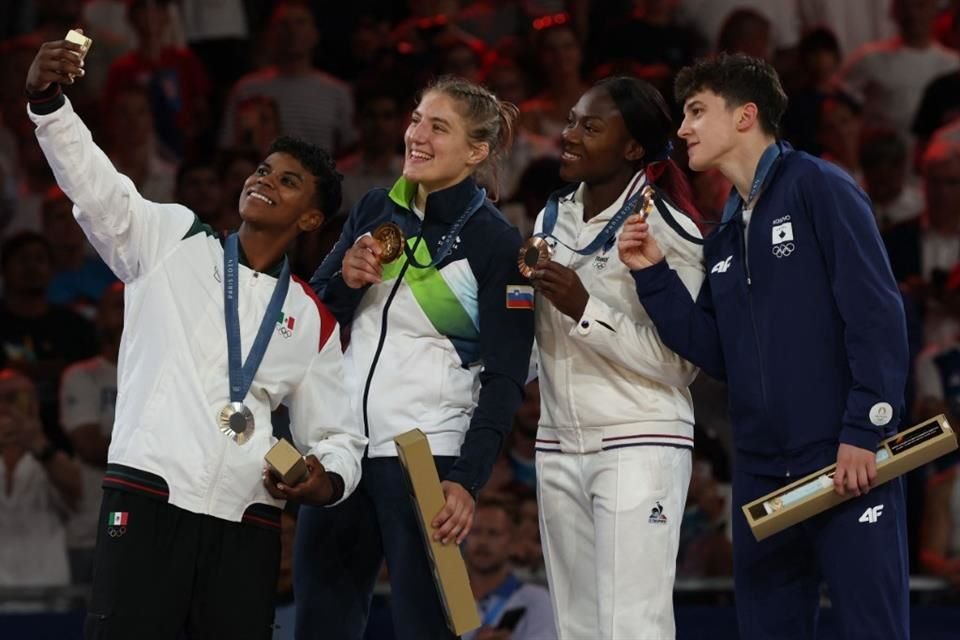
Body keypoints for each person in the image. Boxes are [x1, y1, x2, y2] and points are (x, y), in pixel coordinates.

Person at [25, 36, 365, 639]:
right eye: (263, 170)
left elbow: (338, 432)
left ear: (311, 218)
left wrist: (325, 477)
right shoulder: (174, 239)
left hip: (247, 517)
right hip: (150, 493)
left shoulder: (312, 316)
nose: (265, 182)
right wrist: (50, 106)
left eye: (288, 182)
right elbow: (99, 189)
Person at [619, 52, 911, 639]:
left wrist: (864, 432)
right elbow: (716, 351)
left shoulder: (820, 188)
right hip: (761, 472)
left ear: (746, 115)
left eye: (697, 111)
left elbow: (876, 317)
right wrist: (652, 274)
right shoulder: (724, 228)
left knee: (873, 629)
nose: (682, 129)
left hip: (842, 458)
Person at [294, 75, 535, 640]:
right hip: (342, 452)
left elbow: (504, 379)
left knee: (428, 629)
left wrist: (468, 481)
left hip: (429, 458)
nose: (416, 135)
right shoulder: (377, 207)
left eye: (438, 127)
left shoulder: (498, 244)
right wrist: (347, 282)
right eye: (416, 119)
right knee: (319, 625)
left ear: (476, 152)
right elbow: (312, 322)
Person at [529, 76, 704, 639]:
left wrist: (586, 310)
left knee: (633, 626)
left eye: (590, 126)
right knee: (576, 628)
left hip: (640, 439)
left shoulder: (669, 229)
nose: (570, 134)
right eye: (572, 120)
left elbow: (681, 364)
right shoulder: (549, 219)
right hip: (557, 442)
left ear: (632, 149)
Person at [0, 368, 81, 593]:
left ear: (33, 406)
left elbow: (76, 491)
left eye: (14, 399)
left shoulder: (52, 458)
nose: (6, 408)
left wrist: (37, 443)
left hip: (46, 593)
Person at [462, 497, 556, 640]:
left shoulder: (535, 600)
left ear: (513, 540)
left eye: (493, 533)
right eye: (475, 531)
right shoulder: (447, 599)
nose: (483, 542)